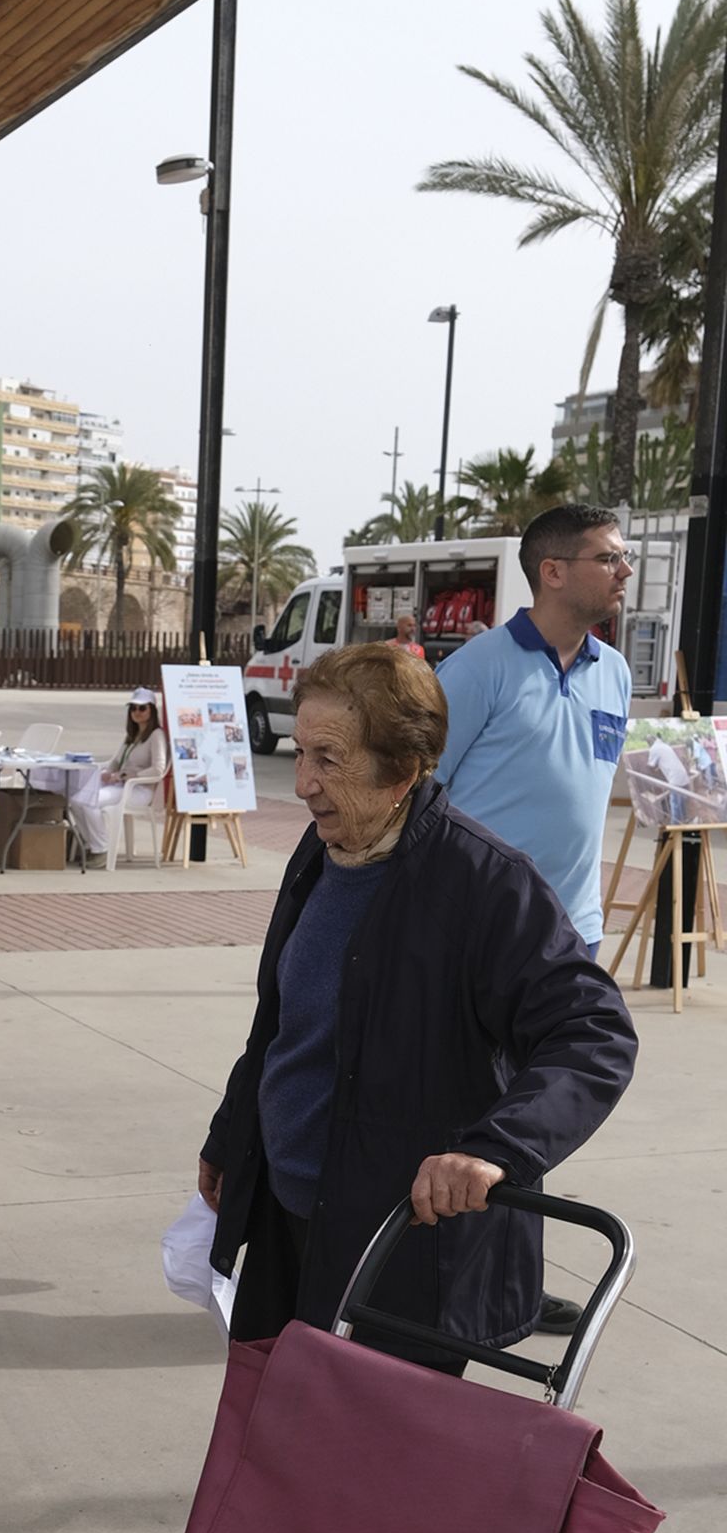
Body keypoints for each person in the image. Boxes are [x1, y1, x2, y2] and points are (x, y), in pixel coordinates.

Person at [199, 644, 636, 1359]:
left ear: (402, 770)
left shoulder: (485, 884)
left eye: (330, 759)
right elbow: (282, 1025)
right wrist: (233, 1134)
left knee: (379, 1459)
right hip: (290, 1211)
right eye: (301, 752)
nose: (303, 781)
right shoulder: (320, 852)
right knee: (285, 1442)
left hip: (400, 1245)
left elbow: (593, 1033)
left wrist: (498, 1149)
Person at [434, 504, 633, 1330]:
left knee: (533, 1113)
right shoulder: (479, 669)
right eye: (609, 557)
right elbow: (421, 793)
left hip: (569, 938)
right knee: (462, 1111)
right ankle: (437, 1283)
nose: (624, 570)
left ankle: (511, 1286)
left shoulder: (613, 673)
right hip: (475, 935)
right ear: (552, 570)